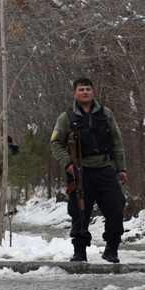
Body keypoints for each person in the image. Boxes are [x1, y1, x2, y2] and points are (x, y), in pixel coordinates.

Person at [50, 77, 128, 263]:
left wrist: (121, 168)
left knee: (116, 207)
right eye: (81, 89)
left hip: (105, 168)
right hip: (80, 171)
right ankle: (80, 252)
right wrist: (68, 163)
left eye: (88, 89)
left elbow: (117, 142)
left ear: (93, 92)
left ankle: (111, 249)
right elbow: (55, 143)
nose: (85, 92)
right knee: (79, 212)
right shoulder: (66, 117)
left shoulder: (106, 114)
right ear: (75, 93)